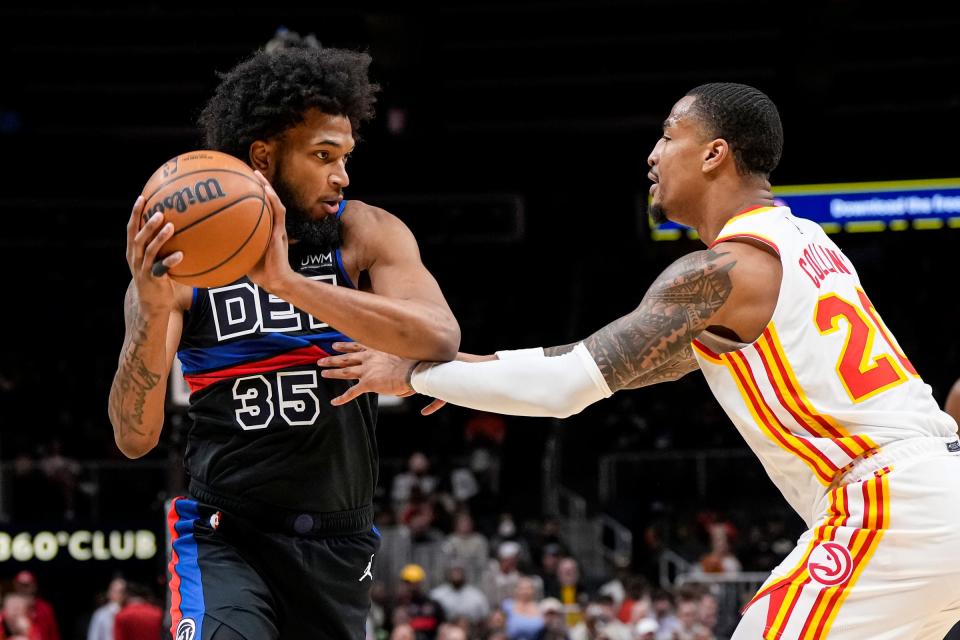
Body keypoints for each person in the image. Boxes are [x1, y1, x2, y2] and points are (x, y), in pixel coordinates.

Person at [319, 83, 960, 638]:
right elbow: (614, 363)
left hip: (883, 504)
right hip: (933, 492)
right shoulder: (803, 242)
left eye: (668, 135)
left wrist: (410, 372)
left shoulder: (720, 270)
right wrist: (474, 372)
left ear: (715, 154)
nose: (652, 154)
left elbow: (569, 387)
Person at [107, 31, 460, 640]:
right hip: (226, 532)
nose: (343, 176)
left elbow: (440, 337)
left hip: (340, 540)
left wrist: (287, 282)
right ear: (265, 158)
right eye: (324, 157)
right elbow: (133, 437)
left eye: (347, 157)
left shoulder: (366, 233)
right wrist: (147, 312)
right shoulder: (186, 263)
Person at [10, 572, 58, 640]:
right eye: (22, 585)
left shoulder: (44, 607)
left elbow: (53, 633)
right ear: (16, 585)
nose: (25, 588)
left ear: (34, 585)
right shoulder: (10, 607)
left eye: (28, 585)